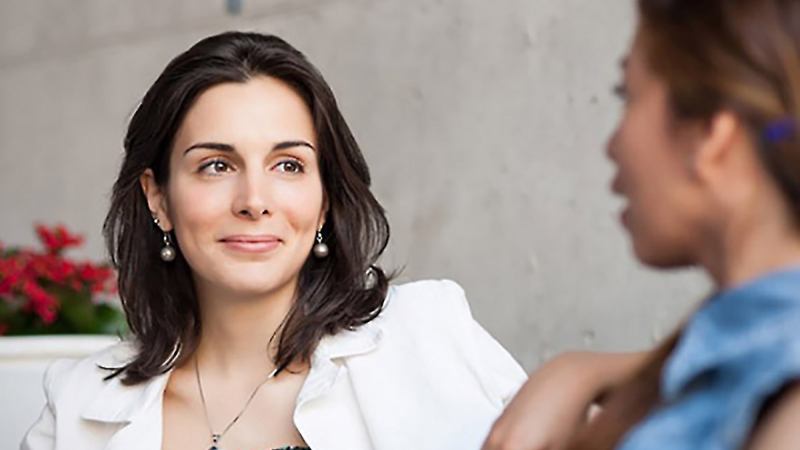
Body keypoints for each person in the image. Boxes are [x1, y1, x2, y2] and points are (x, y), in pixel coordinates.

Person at [20, 31, 624, 450]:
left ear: (325, 197)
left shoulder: (427, 335)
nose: (254, 199)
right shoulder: (78, 406)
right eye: (216, 165)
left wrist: (574, 373)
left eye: (288, 165)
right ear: (158, 198)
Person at [486, 1, 800, 449]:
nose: (612, 145)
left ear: (710, 138)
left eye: (627, 96)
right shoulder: (730, 348)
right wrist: (578, 370)